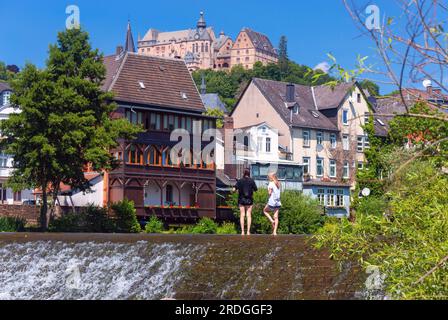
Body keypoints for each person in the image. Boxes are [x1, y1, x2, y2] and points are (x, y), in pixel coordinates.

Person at [234, 169, 258, 236]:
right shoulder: (252, 180)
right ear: (249, 173)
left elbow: (234, 188)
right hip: (249, 200)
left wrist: (235, 189)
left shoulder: (240, 181)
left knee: (242, 215)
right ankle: (248, 232)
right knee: (248, 215)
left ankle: (242, 232)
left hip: (241, 200)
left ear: (243, 173)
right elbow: (256, 189)